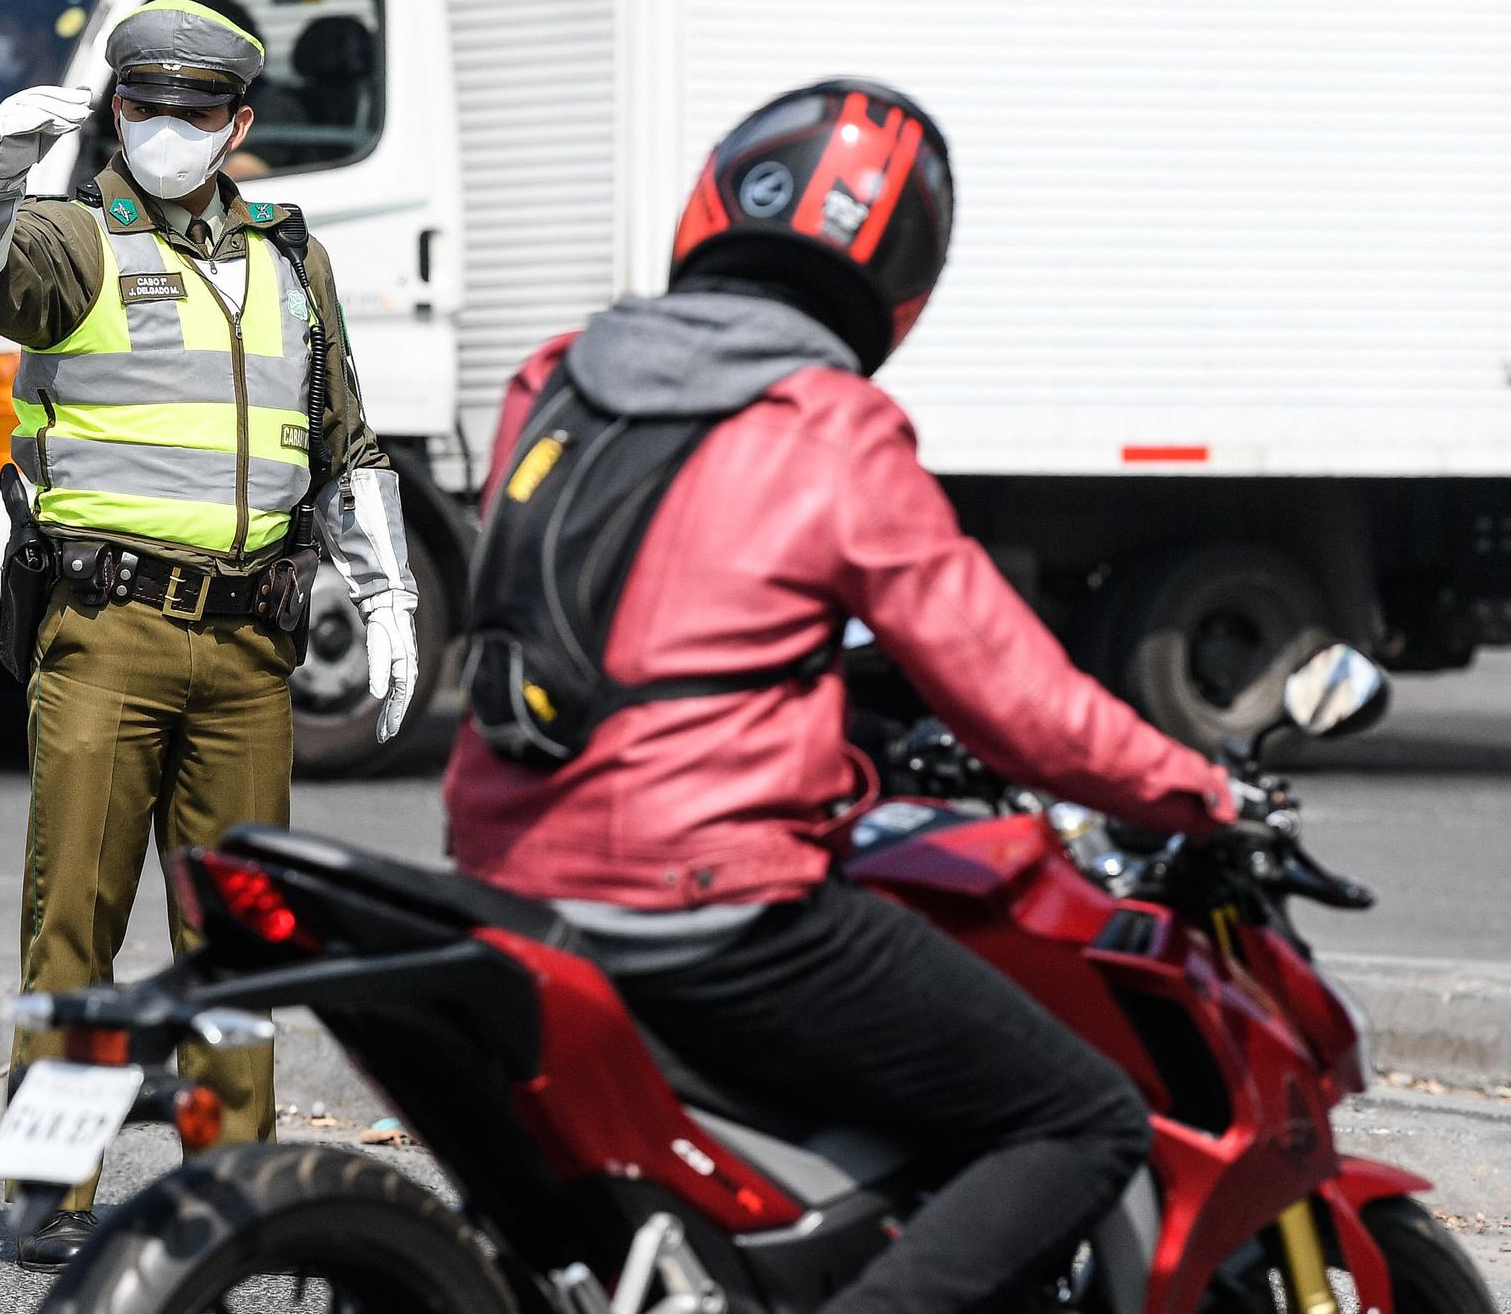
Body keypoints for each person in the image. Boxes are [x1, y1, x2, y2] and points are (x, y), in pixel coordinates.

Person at [443, 79, 1238, 1314]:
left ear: (711, 204)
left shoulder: (552, 378)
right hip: (704, 907)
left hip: (499, 880)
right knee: (1078, 1116)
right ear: (901, 281)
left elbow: (619, 618)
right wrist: (1198, 790)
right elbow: (1018, 705)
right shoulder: (831, 426)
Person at [0, 0, 418, 1271]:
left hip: (253, 651)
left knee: (240, 938)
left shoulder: (289, 258)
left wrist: (387, 589)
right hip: (110, 630)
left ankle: (234, 1186)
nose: (169, 130)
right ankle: (55, 1190)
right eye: (146, 108)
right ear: (117, 111)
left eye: (197, 112)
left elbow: (342, 438)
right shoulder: (72, 240)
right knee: (74, 917)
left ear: (238, 123)